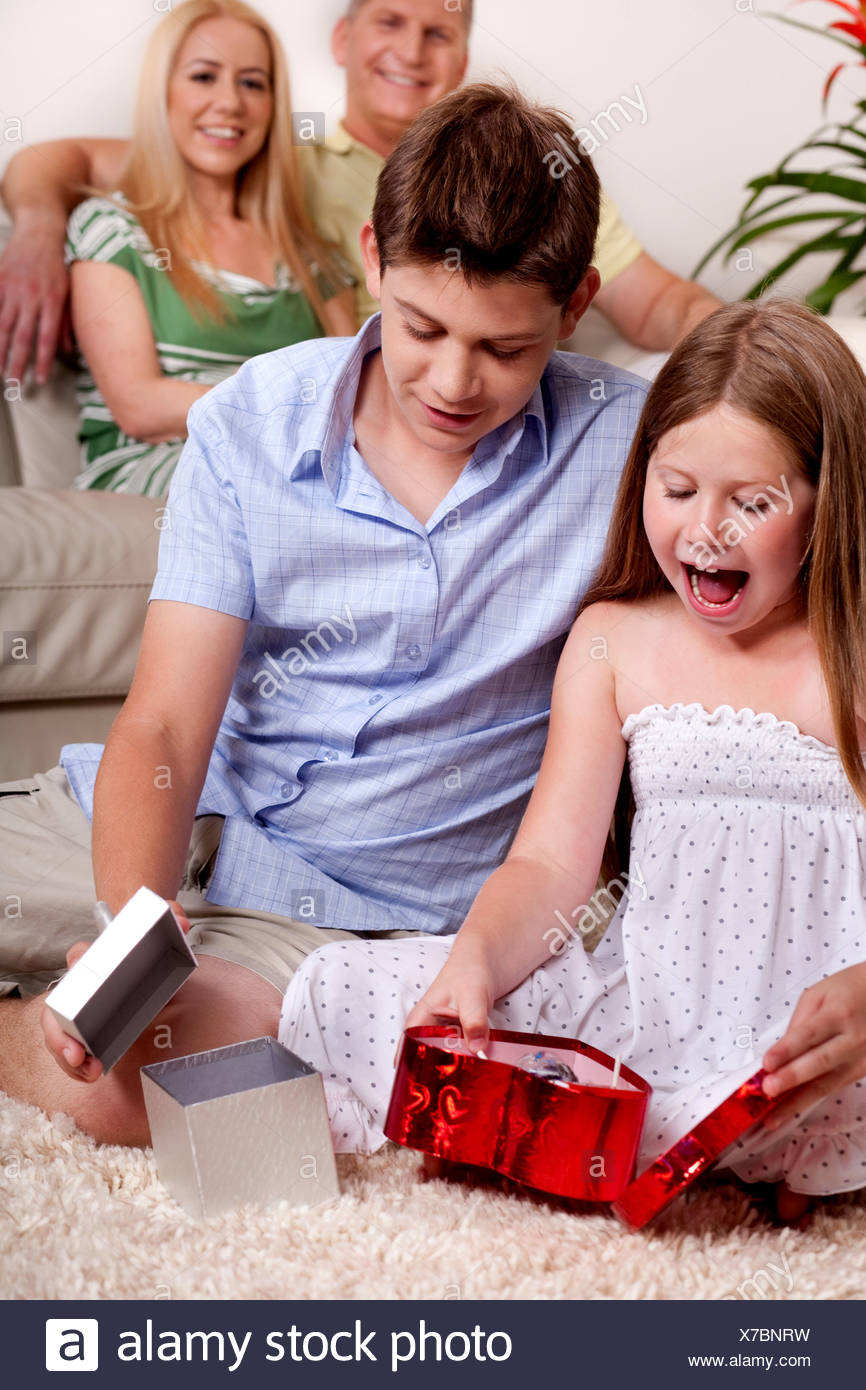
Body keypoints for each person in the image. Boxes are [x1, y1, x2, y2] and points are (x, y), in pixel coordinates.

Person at [0, 85, 647, 1149]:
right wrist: (133, 929)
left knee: (129, 1087)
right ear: (370, 259)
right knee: (113, 980)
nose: (451, 380)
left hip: (343, 907)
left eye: (505, 348)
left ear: (574, 307)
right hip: (167, 829)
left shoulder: (628, 452)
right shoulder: (253, 419)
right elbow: (163, 726)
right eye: (422, 327)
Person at [277, 299, 866, 1226]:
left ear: (832, 499)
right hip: (653, 1013)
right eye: (677, 490)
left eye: (752, 502)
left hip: (829, 1046)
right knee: (353, 990)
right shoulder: (614, 641)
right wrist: (474, 960)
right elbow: (554, 865)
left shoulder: (855, 654)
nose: (705, 531)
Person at [0, 0, 721, 387]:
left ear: (463, 58)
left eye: (437, 31)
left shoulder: (532, 182)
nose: (410, 53)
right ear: (343, 39)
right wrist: (37, 229)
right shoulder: (269, 166)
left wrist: (752, 357)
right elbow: (66, 161)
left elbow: (662, 305)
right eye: (389, 22)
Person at [65, 0, 355, 495]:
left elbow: (351, 399)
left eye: (252, 83)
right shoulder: (112, 229)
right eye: (204, 76)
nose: (230, 103)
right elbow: (140, 406)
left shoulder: (314, 258)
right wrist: (288, 406)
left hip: (295, 466)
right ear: (163, 93)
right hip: (162, 466)